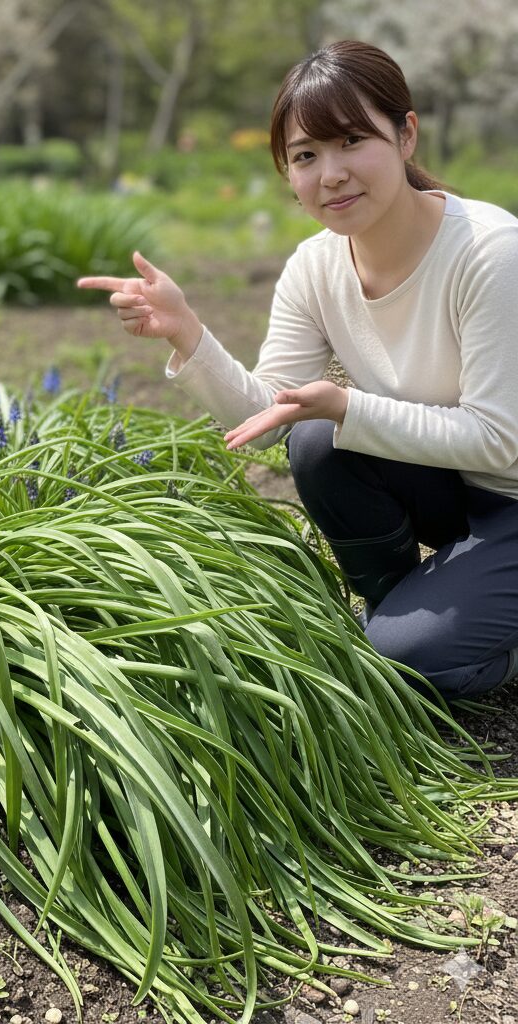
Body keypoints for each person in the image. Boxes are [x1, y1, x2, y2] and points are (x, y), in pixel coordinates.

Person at [77, 40, 518, 701]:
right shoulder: (316, 268)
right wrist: (189, 334)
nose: (331, 173)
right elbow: (268, 419)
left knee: (407, 664)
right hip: (460, 496)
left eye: (350, 141)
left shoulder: (489, 253)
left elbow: (498, 439)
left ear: (406, 134)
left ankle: (433, 638)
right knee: (317, 443)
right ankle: (397, 612)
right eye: (306, 156)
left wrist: (346, 406)